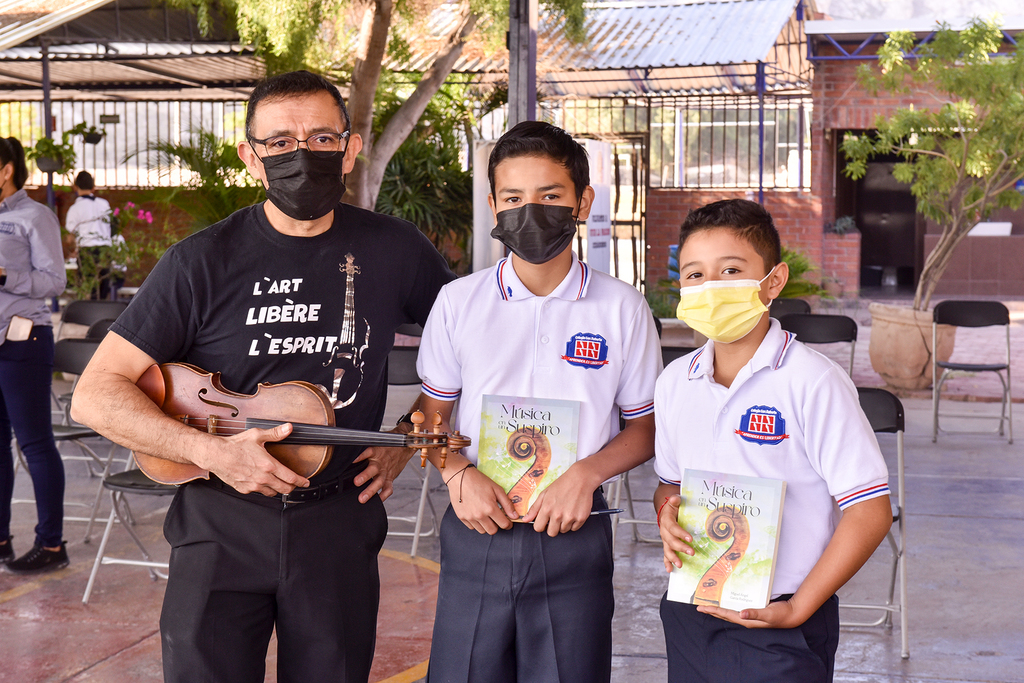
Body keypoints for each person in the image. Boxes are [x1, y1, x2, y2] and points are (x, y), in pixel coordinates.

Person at [71, 71, 454, 683]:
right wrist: (209, 452)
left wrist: (408, 440)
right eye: (279, 142)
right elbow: (93, 396)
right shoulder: (199, 260)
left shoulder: (396, 250)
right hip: (219, 522)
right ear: (251, 157)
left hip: (338, 518)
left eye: (322, 138)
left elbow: (470, 348)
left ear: (351, 149)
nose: (301, 154)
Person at [414, 120, 662, 683]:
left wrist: (585, 474)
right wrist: (456, 475)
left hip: (574, 535)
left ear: (583, 202)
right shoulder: (458, 303)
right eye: (514, 197)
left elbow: (645, 428)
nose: (532, 210)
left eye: (550, 196)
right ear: (494, 205)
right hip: (477, 526)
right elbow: (429, 417)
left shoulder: (622, 309)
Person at [653, 198, 893, 683]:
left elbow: (870, 509)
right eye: (695, 275)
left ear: (772, 281)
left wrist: (800, 608)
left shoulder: (812, 381)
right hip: (689, 608)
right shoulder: (675, 381)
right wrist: (667, 512)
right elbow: (670, 483)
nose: (711, 287)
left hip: (781, 620)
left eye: (731, 270)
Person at [0, 136, 70, 574]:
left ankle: (50, 546)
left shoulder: (34, 216)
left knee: (35, 444)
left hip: (22, 341)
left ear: (6, 169)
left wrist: (4, 274)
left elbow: (54, 282)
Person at [65, 171, 113, 300]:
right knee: (102, 290)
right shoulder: (104, 204)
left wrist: (74, 249)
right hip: (105, 250)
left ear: (75, 187)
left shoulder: (75, 209)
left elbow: (70, 237)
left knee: (87, 288)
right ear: (93, 187)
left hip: (87, 251)